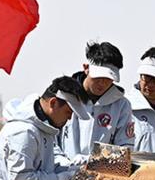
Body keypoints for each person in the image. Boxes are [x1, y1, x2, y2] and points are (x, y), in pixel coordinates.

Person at [54, 41, 134, 169]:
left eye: (108, 78)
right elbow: (49, 139)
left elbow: (125, 149)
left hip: (101, 178)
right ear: (86, 68)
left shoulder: (122, 105)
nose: (102, 83)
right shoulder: (63, 95)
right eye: (98, 77)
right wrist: (60, 160)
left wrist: (94, 160)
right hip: (61, 174)